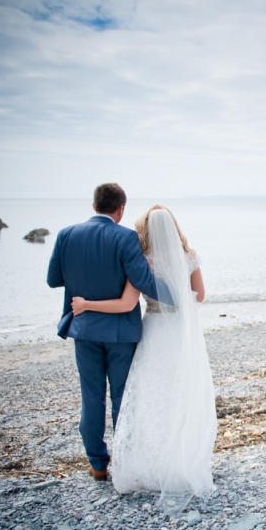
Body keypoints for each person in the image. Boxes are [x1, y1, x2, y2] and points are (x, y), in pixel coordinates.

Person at [70, 205, 217, 512]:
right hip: (178, 333)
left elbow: (126, 303)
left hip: (153, 331)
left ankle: (149, 461)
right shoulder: (189, 256)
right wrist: (179, 299)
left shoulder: (143, 261)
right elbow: (199, 296)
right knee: (180, 394)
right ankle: (181, 461)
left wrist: (86, 304)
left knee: (151, 396)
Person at [47, 183, 165, 481]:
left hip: (84, 329)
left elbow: (53, 280)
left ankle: (98, 465)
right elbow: (142, 279)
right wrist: (178, 296)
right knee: (122, 398)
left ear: (94, 205)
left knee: (91, 397)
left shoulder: (66, 234)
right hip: (121, 333)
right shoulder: (126, 237)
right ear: (121, 209)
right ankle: (126, 462)